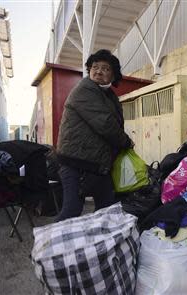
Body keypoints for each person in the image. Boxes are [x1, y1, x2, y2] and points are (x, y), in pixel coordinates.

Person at [56, 49, 133, 221]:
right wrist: (126, 142)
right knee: (72, 211)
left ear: (113, 75)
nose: (98, 71)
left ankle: (100, 244)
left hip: (96, 164)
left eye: (105, 68)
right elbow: (106, 124)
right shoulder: (85, 90)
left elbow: (114, 124)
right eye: (94, 67)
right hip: (76, 163)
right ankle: (46, 245)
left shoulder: (108, 95)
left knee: (106, 209)